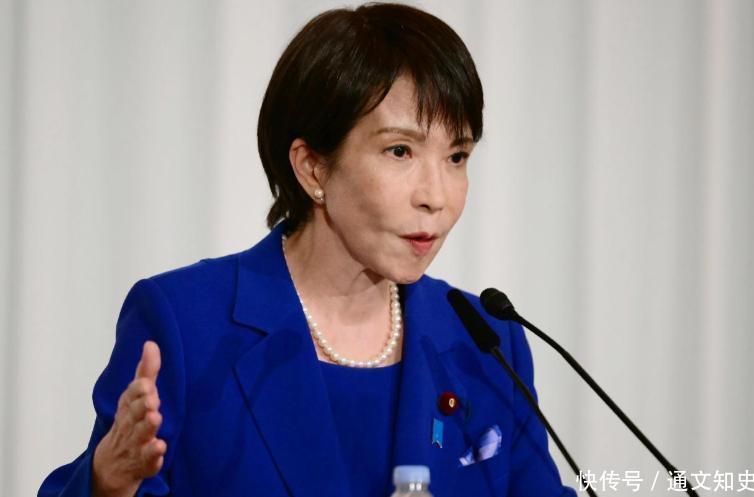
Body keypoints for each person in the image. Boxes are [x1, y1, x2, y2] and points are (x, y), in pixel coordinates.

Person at [39, 3, 577, 497]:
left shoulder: (486, 344)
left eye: (457, 157)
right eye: (400, 151)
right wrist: (108, 483)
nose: (435, 196)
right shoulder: (186, 326)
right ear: (313, 168)